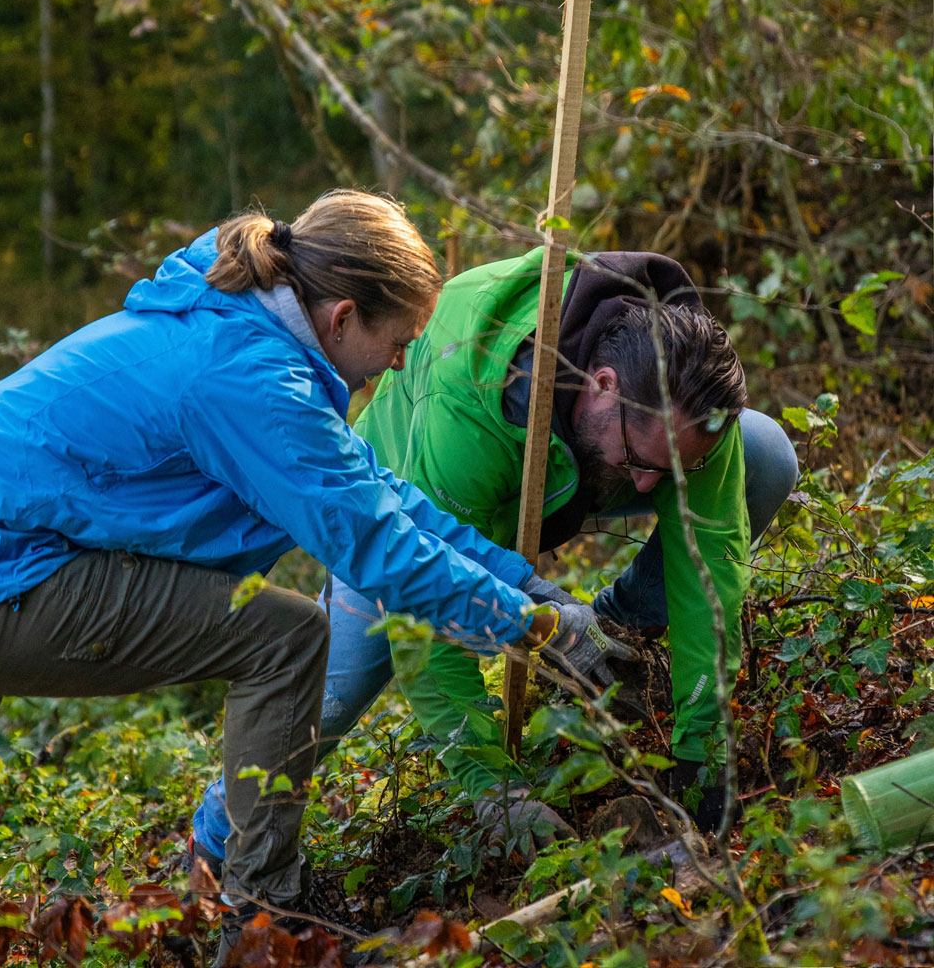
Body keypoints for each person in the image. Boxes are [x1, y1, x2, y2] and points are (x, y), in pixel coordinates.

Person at [0, 192, 612, 962]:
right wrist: (536, 632)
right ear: (343, 316)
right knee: (287, 637)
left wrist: (526, 587)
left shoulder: (245, 328)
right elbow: (377, 550)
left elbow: (380, 493)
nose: (400, 362)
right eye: (400, 341)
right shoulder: (254, 382)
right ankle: (266, 917)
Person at [193, 246, 799, 857]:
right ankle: (218, 837)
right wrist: (493, 788)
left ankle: (616, 628)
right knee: (333, 695)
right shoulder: (471, 406)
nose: (649, 488)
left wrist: (704, 746)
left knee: (765, 453)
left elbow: (708, 567)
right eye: (643, 462)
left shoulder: (688, 392)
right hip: (413, 502)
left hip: (571, 471)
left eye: (671, 466)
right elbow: (423, 610)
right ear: (604, 385)